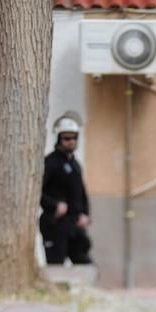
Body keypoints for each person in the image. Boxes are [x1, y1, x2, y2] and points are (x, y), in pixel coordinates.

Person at [40, 113, 93, 265]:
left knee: (84, 262)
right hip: (55, 223)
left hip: (74, 224)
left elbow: (82, 193)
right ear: (58, 138)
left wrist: (85, 214)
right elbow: (37, 192)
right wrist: (54, 205)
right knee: (56, 264)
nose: (71, 142)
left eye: (74, 138)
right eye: (67, 138)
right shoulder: (50, 163)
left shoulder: (75, 165)